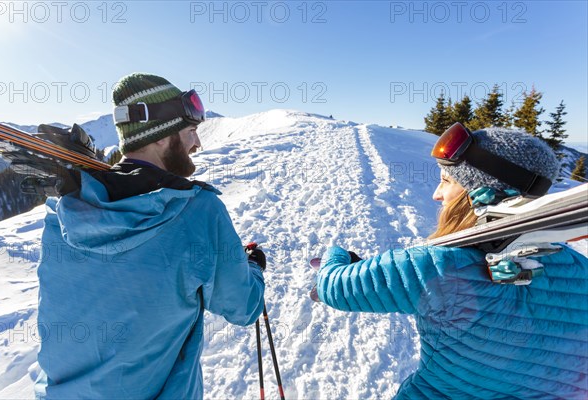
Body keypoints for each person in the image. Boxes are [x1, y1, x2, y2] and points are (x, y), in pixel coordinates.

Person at [35, 73, 266, 399]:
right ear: (159, 136)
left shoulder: (63, 210)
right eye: (190, 132)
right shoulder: (198, 211)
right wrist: (252, 266)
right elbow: (244, 306)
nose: (197, 144)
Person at [315, 122, 588, 399]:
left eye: (446, 180)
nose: (436, 194)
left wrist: (337, 254)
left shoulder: (438, 266)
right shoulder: (581, 268)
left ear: (481, 192)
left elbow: (333, 288)